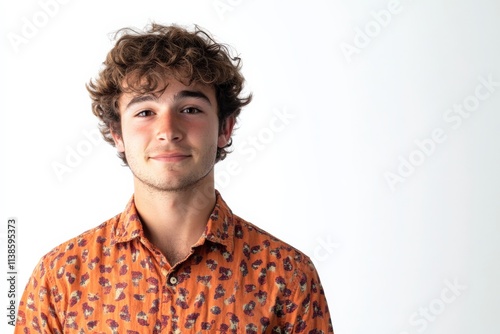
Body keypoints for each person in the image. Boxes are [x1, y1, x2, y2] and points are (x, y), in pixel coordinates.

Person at [15, 23, 334, 333]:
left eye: (191, 109)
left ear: (225, 128)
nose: (168, 131)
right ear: (117, 134)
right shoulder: (58, 279)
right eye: (145, 112)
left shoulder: (288, 276)